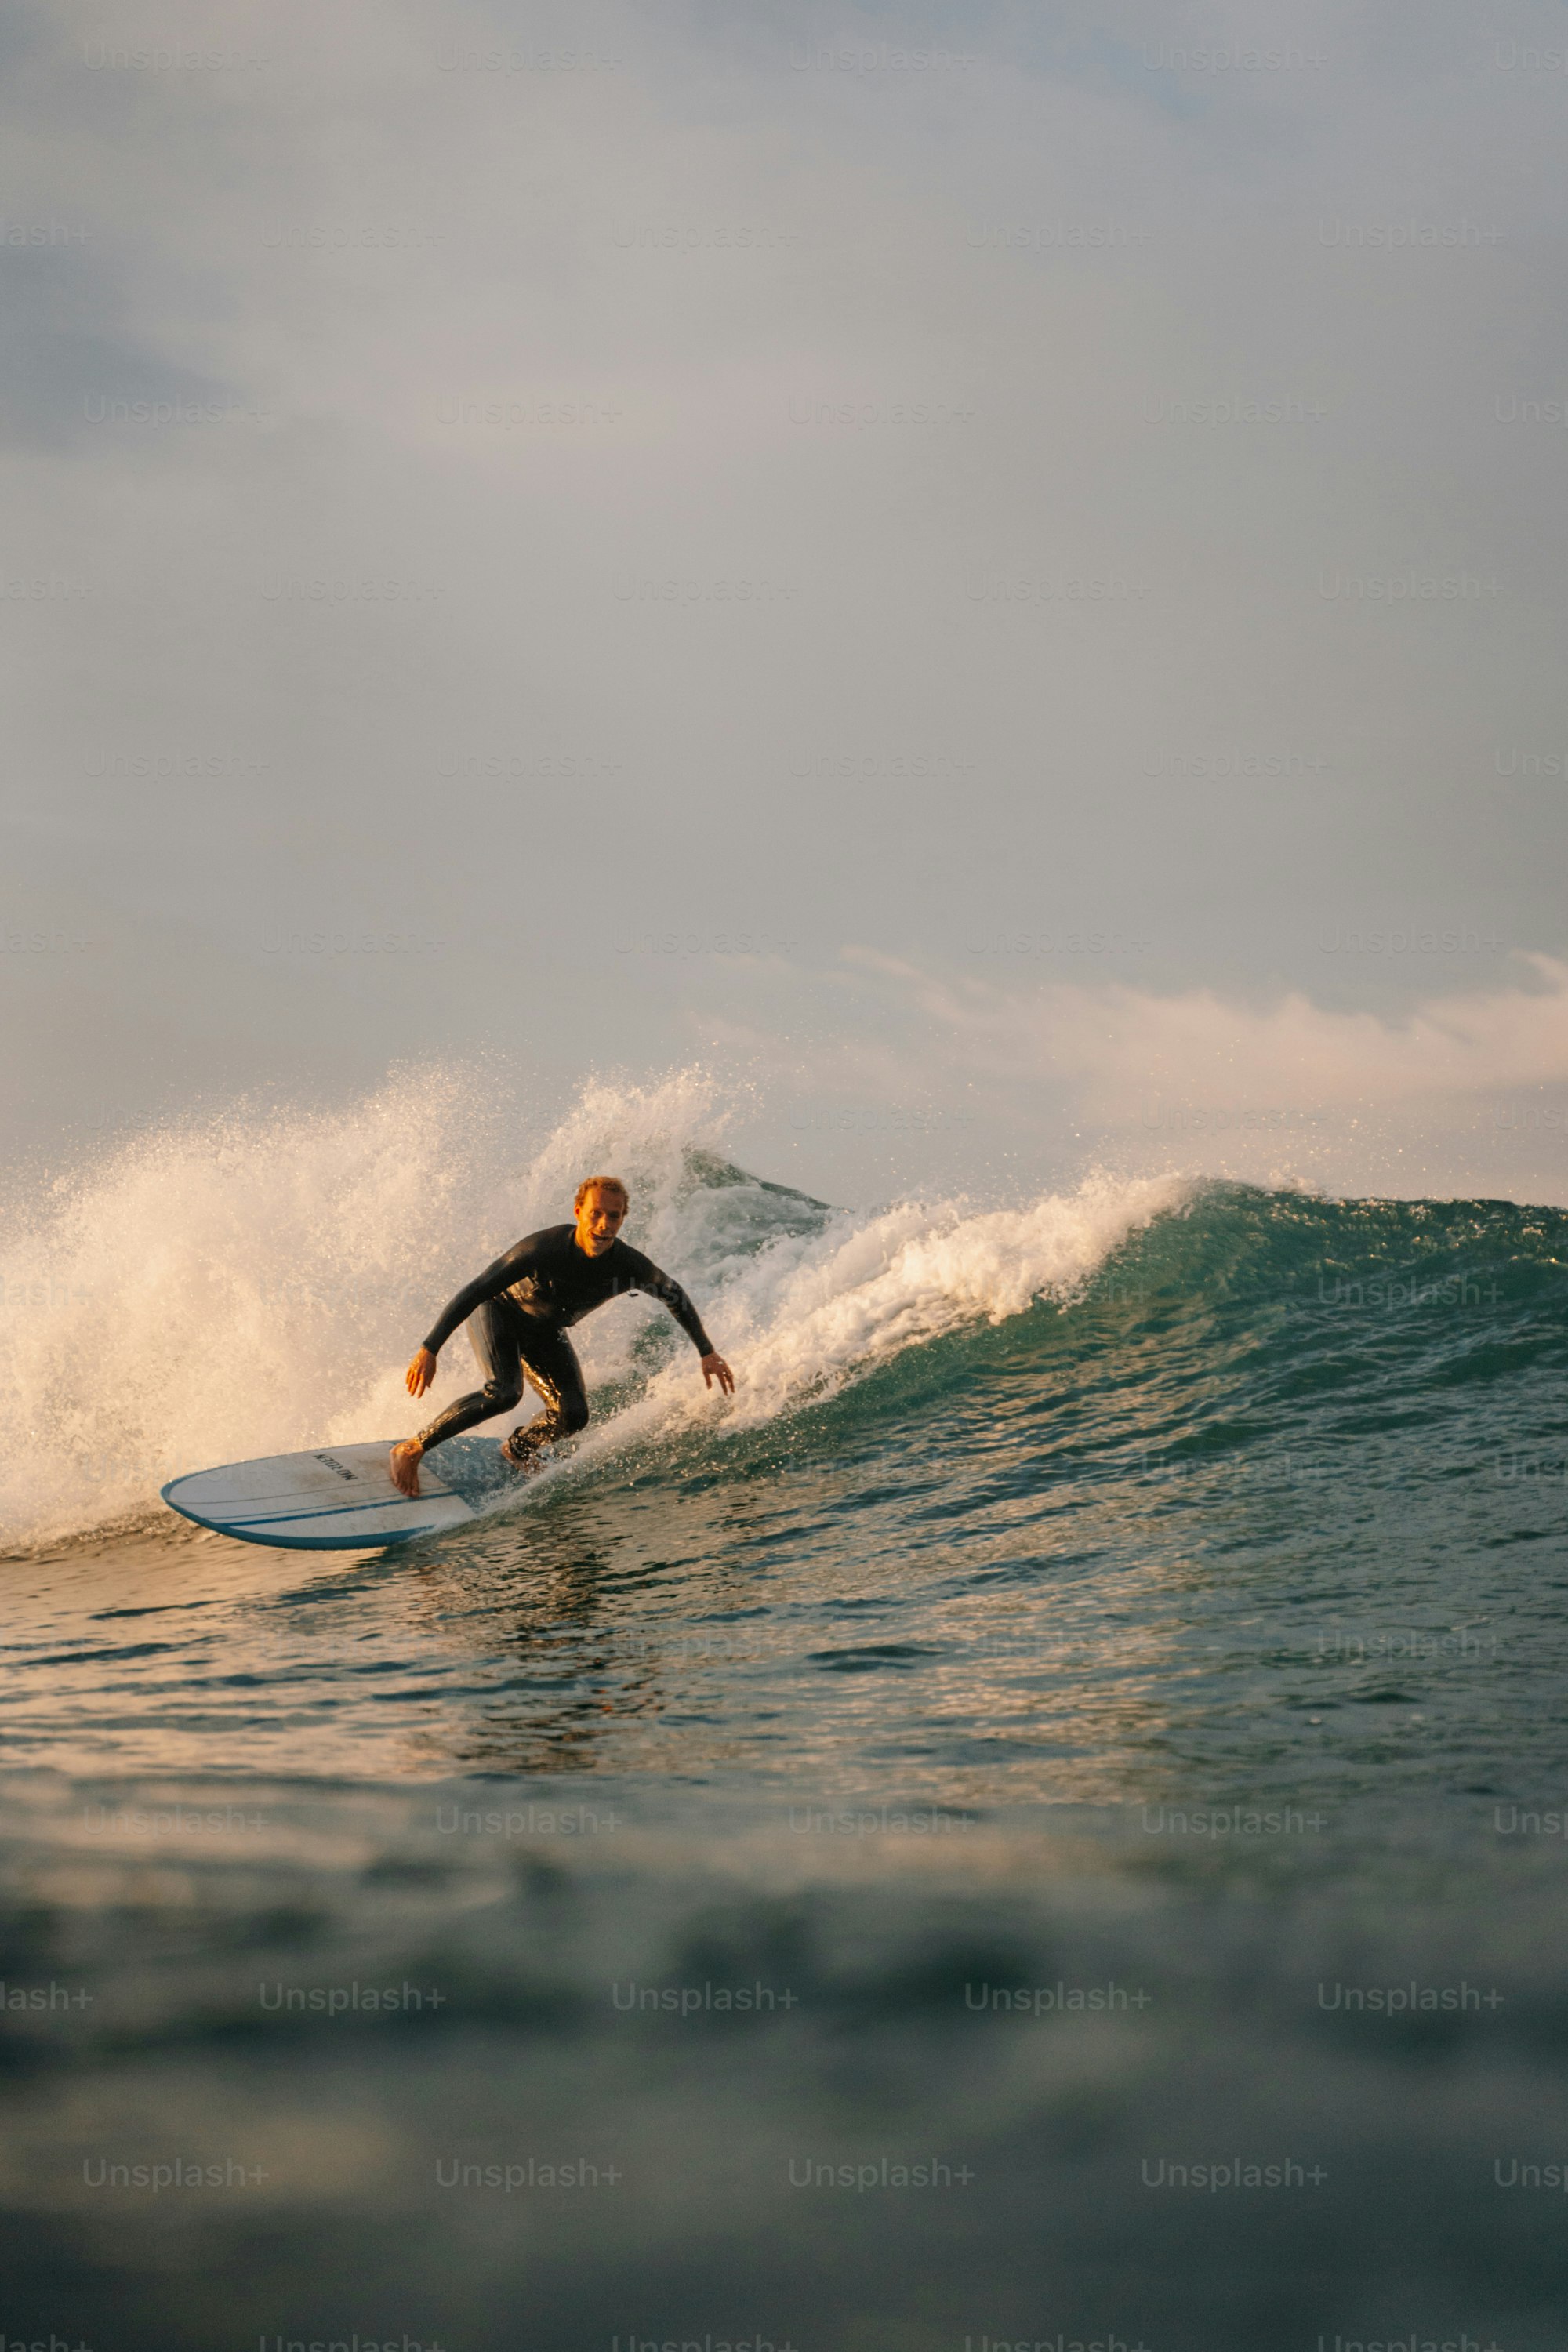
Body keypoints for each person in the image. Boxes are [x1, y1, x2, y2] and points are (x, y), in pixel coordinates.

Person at [389, 1174, 734, 1497]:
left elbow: (674, 1295)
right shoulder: (544, 1248)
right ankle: (413, 1447)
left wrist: (707, 1352)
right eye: (596, 1213)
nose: (604, 1225)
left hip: (544, 1331)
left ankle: (517, 1449)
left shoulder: (628, 1266)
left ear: (623, 1219)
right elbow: (476, 1290)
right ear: (578, 1212)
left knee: (573, 1415)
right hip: (498, 1313)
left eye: (614, 1216)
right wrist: (429, 1349)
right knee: (504, 1393)